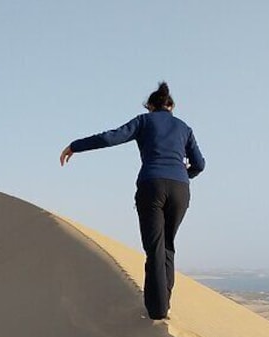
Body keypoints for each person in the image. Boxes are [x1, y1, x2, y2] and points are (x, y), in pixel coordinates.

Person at [60, 82, 205, 320]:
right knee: (168, 245)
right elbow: (199, 164)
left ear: (150, 106)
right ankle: (164, 304)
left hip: (151, 186)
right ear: (171, 106)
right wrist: (183, 175)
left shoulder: (144, 121)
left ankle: (157, 311)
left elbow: (111, 138)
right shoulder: (184, 128)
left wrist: (75, 146)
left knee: (155, 247)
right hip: (180, 189)